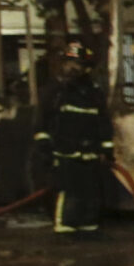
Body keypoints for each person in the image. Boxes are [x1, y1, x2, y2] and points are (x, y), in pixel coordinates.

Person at [35, 43, 113, 237]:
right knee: (68, 191)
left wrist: (106, 149)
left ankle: (89, 227)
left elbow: (103, 122)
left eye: (77, 63)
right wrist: (44, 148)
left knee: (91, 193)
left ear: (87, 68)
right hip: (64, 153)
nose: (72, 67)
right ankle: (65, 229)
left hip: (90, 154)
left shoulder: (94, 93)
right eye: (69, 62)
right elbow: (41, 123)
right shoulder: (55, 91)